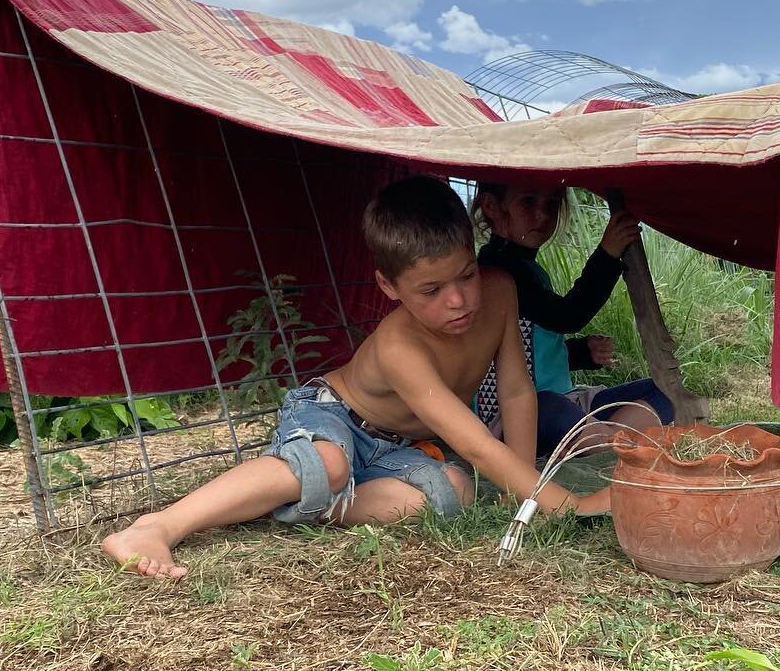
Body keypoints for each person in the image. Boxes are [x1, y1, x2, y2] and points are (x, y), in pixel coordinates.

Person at [103, 175, 610, 580]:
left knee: (455, 490)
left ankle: (302, 500)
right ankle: (159, 525)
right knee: (328, 462)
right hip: (335, 414)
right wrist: (572, 504)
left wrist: (524, 487)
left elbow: (517, 389)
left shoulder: (500, 293)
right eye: (430, 289)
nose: (457, 301)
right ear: (389, 286)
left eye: (466, 275)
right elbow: (476, 444)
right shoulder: (399, 345)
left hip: (398, 447)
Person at [473, 180, 673, 453]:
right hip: (511, 417)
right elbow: (567, 316)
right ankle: (608, 442)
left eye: (552, 204)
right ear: (491, 206)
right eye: (528, 202)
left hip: (566, 401)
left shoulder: (524, 266)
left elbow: (529, 349)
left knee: (666, 390)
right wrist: (608, 255)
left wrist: (578, 353)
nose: (542, 215)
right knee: (550, 406)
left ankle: (603, 441)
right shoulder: (498, 271)